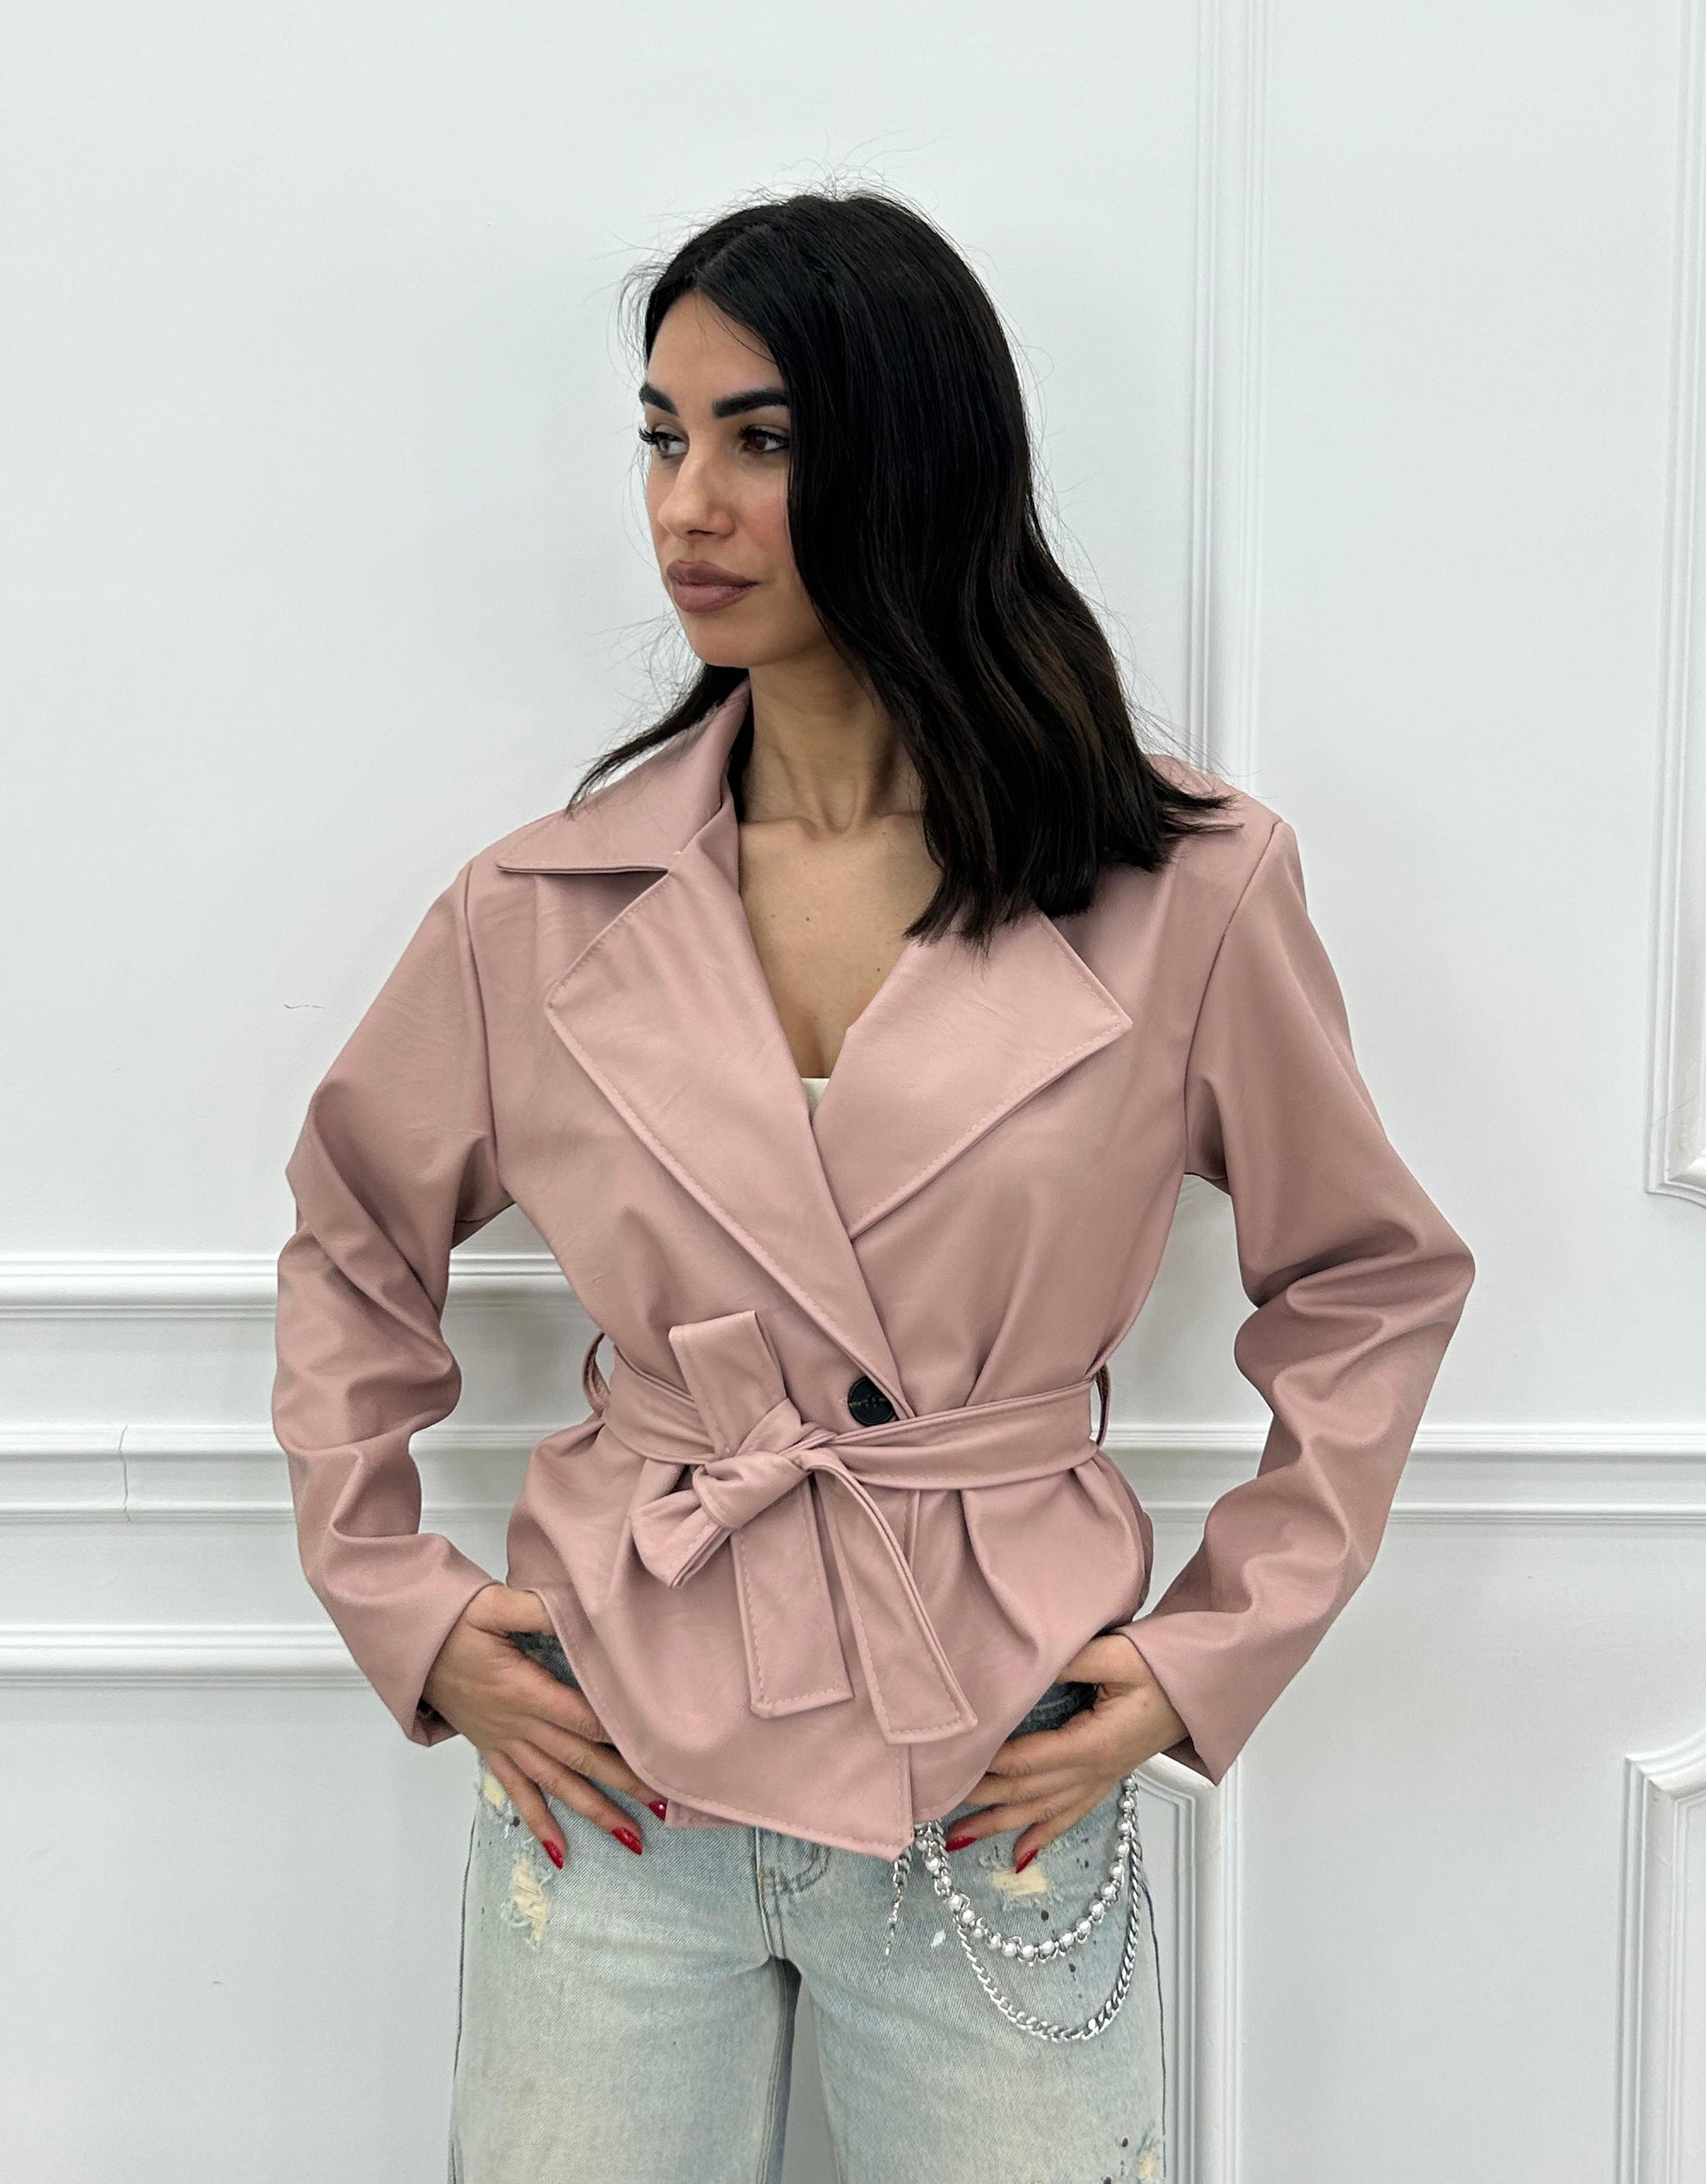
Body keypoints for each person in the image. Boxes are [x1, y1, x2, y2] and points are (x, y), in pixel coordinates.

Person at [270, 187, 1475, 2183]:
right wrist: (399, 1598)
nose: (687, 507)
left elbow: (1368, 1277)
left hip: (996, 1762)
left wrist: (1205, 1649)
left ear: (915, 456)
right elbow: (350, 1240)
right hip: (616, 1760)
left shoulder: (1181, 887)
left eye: (760, 440)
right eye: (662, 437)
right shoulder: (536, 907)